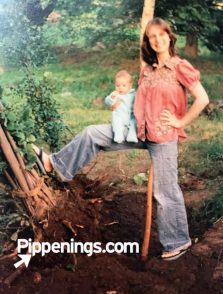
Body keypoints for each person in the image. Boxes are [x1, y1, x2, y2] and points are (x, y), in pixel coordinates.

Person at [33, 17, 209, 261]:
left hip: (164, 137)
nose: (157, 40)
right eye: (152, 36)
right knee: (92, 132)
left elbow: (202, 98)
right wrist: (118, 106)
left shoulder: (180, 66)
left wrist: (180, 121)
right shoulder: (147, 70)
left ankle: (178, 242)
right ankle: (58, 165)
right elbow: (137, 101)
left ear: (169, 36)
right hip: (136, 131)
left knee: (165, 191)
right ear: (148, 41)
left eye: (161, 35)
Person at [104, 70, 138, 143]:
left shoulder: (133, 94)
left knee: (134, 122)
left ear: (130, 85)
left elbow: (139, 102)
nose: (120, 88)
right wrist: (111, 98)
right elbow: (107, 101)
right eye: (117, 85)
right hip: (119, 115)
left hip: (131, 116)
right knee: (116, 123)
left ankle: (132, 135)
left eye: (123, 85)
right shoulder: (115, 94)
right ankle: (118, 135)